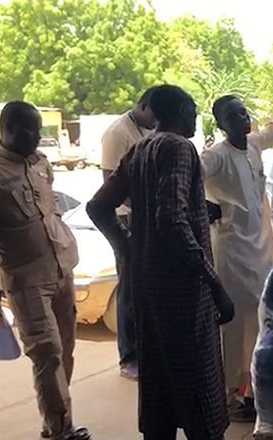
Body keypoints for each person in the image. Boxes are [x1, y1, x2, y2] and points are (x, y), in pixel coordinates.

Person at [87, 85, 234, 440]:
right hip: (184, 288)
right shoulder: (180, 148)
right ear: (180, 111)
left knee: (158, 375)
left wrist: (130, 249)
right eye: (193, 110)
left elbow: (98, 207)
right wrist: (213, 282)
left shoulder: (140, 149)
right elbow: (171, 216)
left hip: (148, 284)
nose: (197, 118)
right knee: (200, 381)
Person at [201, 70, 273, 422]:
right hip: (232, 252)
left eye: (243, 112)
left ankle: (252, 390)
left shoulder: (253, 144)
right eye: (233, 115)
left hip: (260, 249)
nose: (243, 118)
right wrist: (204, 207)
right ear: (222, 125)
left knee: (261, 318)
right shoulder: (215, 156)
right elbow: (185, 175)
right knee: (234, 327)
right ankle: (227, 396)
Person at [0, 101, 91, 440]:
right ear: (8, 129)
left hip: (62, 268)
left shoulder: (41, 164)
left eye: (38, 129)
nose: (35, 137)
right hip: (26, 279)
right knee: (47, 352)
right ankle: (60, 429)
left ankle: (57, 418)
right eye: (28, 130)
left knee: (65, 348)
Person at [99, 86, 159, 381]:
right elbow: (110, 184)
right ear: (143, 105)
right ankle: (128, 357)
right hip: (126, 219)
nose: (157, 123)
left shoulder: (147, 130)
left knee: (147, 286)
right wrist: (144, 207)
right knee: (130, 288)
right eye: (155, 116)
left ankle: (146, 350)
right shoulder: (118, 133)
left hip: (146, 218)